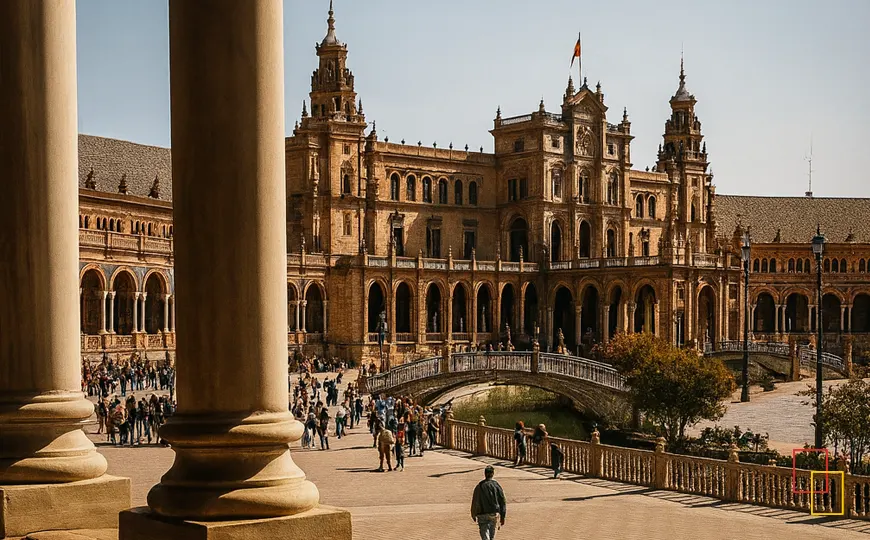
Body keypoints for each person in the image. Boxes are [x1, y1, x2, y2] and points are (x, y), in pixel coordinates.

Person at [470, 465, 506, 540]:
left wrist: (473, 514)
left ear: (485, 474)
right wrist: (503, 516)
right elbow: (502, 501)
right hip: (494, 513)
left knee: (484, 535)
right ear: (492, 474)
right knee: (492, 535)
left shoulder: (479, 486)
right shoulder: (496, 485)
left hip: (482, 513)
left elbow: (475, 500)